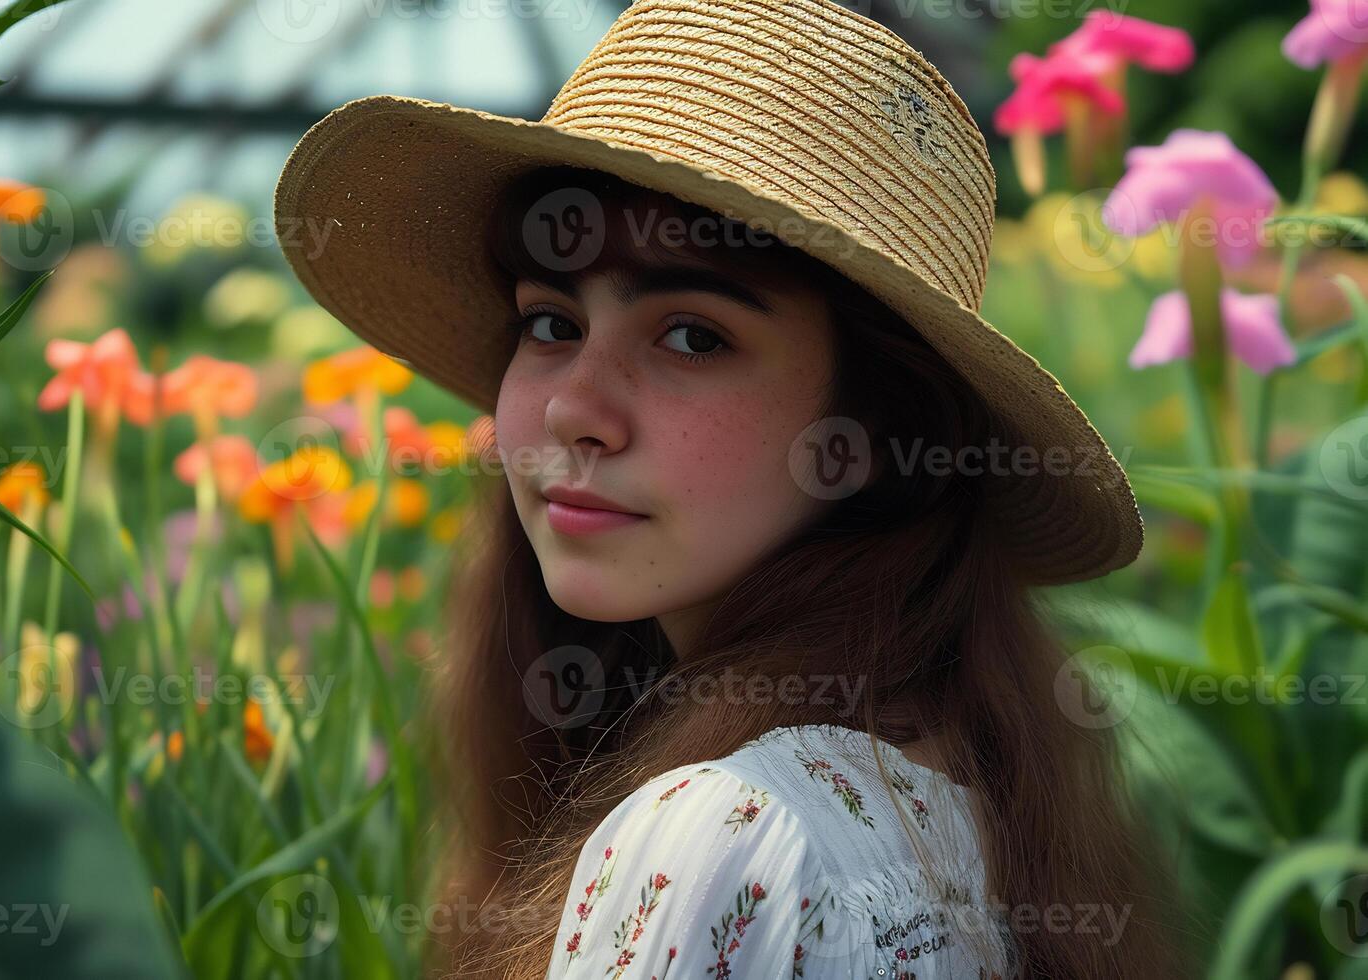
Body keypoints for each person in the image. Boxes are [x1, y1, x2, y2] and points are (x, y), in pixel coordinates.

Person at [274, 1, 1199, 976]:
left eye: (692, 335)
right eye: (550, 323)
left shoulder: (726, 831)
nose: (575, 410)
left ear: (880, 430)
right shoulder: (958, 799)